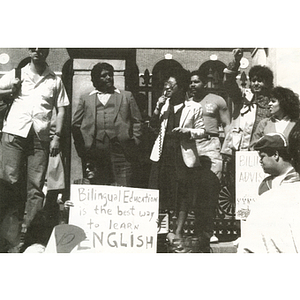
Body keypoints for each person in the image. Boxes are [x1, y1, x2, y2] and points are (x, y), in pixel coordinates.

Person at [0, 48, 70, 233]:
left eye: (41, 47)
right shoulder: (16, 74)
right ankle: (8, 233)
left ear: (47, 50)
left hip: (41, 137)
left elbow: (61, 109)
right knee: (9, 182)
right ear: (29, 50)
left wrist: (57, 137)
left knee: (36, 187)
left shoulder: (55, 80)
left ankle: (30, 233)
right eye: (33, 47)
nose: (37, 50)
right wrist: (10, 89)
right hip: (14, 133)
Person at [148, 72, 206, 251]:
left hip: (182, 154)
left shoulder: (194, 107)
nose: (167, 89)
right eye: (166, 85)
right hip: (163, 152)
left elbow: (202, 131)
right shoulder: (164, 105)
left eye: (171, 86)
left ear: (180, 88)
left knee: (182, 194)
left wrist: (187, 131)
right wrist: (157, 107)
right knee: (161, 190)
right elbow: (153, 125)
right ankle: (162, 230)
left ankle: (178, 230)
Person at [173, 70, 231, 250]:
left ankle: (208, 230)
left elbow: (227, 125)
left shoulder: (217, 100)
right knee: (190, 189)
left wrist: (226, 148)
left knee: (211, 188)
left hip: (211, 144)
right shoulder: (186, 103)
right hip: (191, 146)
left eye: (197, 82)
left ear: (204, 83)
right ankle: (192, 231)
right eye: (191, 82)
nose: (192, 85)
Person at [72, 62, 142, 187]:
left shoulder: (126, 96)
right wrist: (82, 148)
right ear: (95, 79)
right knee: (98, 186)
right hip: (95, 151)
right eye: (103, 76)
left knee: (123, 185)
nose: (108, 78)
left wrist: (135, 140)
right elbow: (76, 124)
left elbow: (137, 120)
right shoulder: (86, 98)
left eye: (110, 75)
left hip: (121, 149)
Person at [238, 133, 300, 253]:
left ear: (275, 155)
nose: (260, 161)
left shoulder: (294, 180)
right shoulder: (266, 184)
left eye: (262, 156)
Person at [222, 49, 274, 154]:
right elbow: (228, 83)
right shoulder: (242, 98)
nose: (255, 84)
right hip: (241, 150)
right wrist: (236, 62)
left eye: (260, 81)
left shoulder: (273, 103)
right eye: (253, 80)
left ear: (268, 83)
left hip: (264, 150)